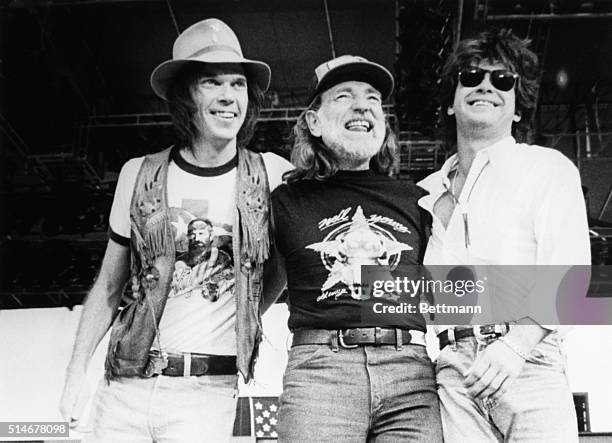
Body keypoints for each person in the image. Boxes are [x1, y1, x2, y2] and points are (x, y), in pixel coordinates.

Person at [59, 18, 292, 442]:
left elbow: (287, 264)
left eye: (238, 84)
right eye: (211, 82)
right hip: (125, 386)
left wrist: (249, 307)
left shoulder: (272, 174)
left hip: (207, 393)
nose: (228, 97)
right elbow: (108, 287)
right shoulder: (139, 173)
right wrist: (76, 371)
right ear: (185, 96)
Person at [417, 28, 591, 442]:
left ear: (517, 108)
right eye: (471, 76)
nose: (485, 86)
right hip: (453, 371)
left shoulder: (547, 168)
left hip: (530, 361)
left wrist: (515, 346)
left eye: (502, 80)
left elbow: (573, 274)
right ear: (450, 100)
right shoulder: (424, 193)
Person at [269, 55, 443, 442]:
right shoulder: (284, 200)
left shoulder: (420, 199)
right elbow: (259, 288)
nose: (362, 105)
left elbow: (449, 289)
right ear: (313, 122)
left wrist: (524, 336)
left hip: (411, 378)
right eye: (343, 96)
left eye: (373, 99)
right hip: (320, 374)